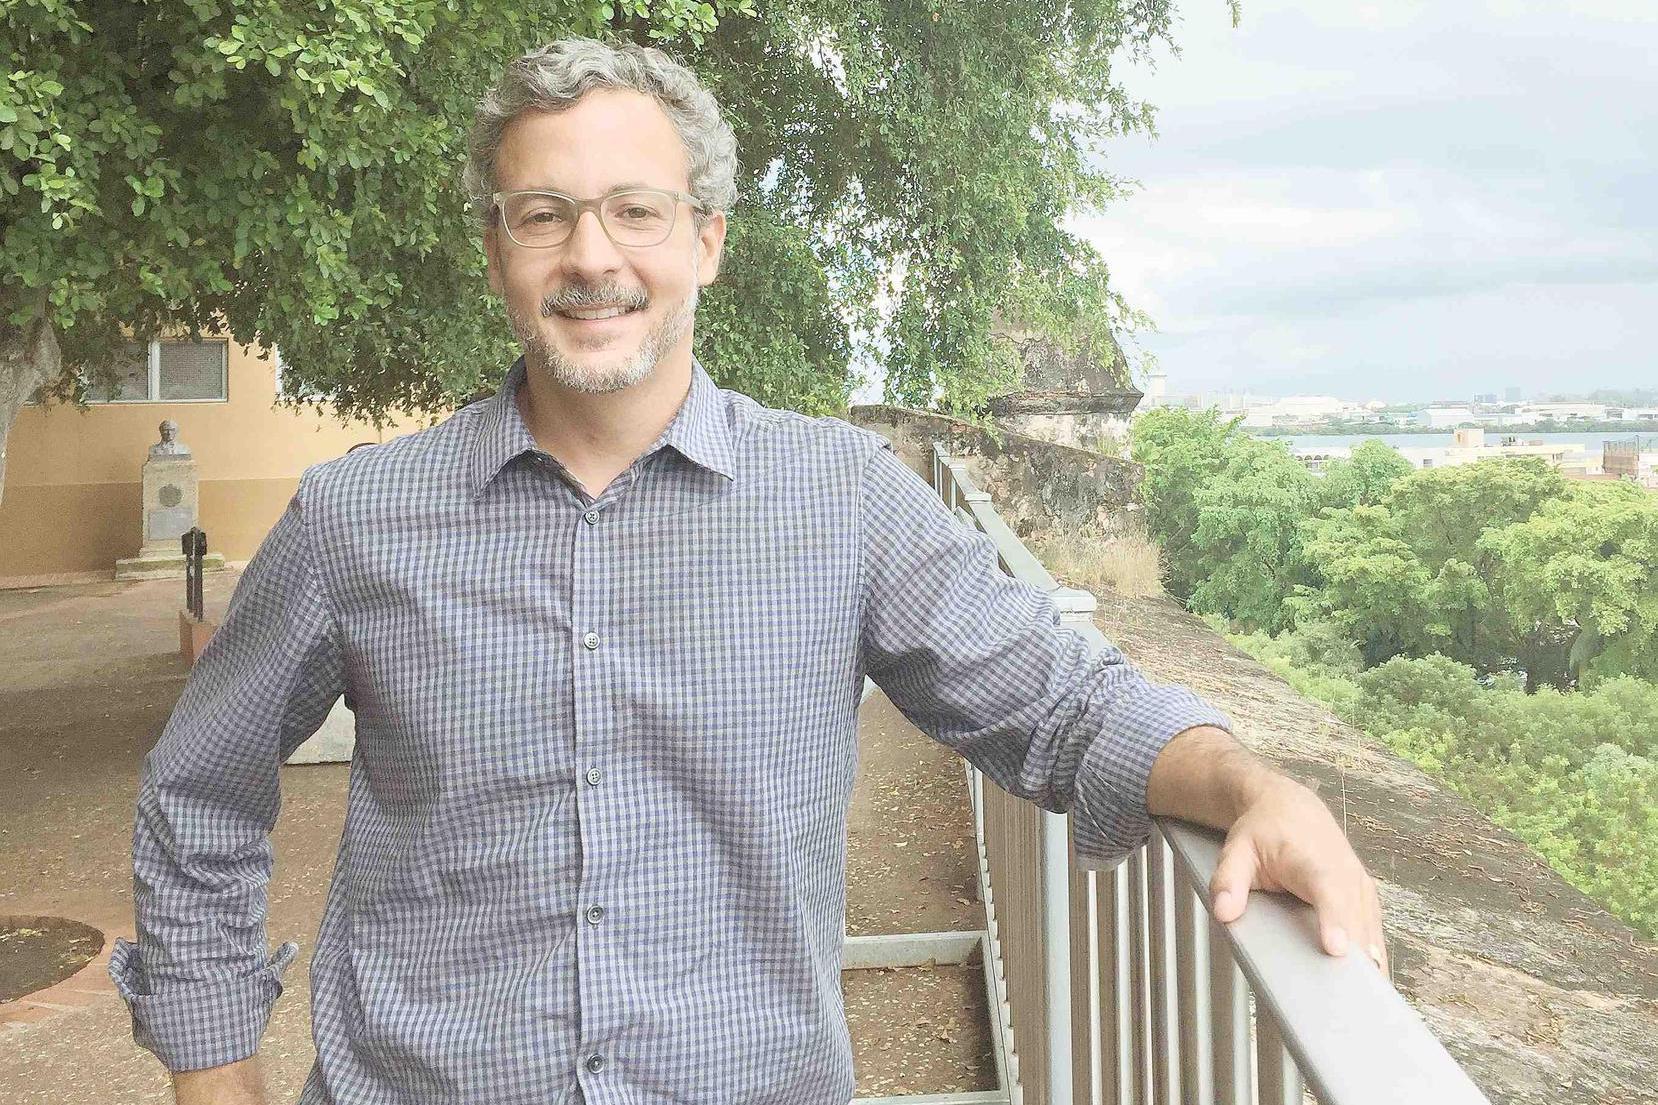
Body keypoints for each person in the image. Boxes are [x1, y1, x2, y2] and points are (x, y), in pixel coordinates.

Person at [110, 36, 1386, 1105]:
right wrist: (215, 1077)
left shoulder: (841, 498)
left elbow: (1059, 704)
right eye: (543, 214)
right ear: (495, 249)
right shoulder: (357, 517)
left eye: (636, 210)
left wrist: (1250, 784)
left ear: (707, 241)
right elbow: (199, 793)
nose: (591, 257)